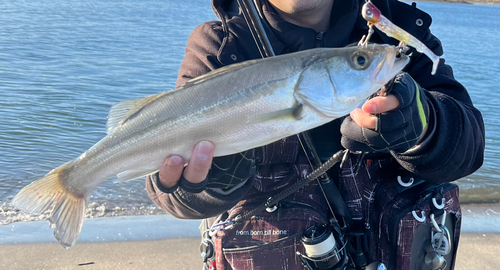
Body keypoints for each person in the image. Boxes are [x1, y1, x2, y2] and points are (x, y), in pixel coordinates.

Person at [145, 0, 485, 268]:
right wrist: (207, 184)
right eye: (360, 61)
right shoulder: (219, 47)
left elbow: (469, 146)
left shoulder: (399, 34)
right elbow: (168, 187)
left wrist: (423, 123)